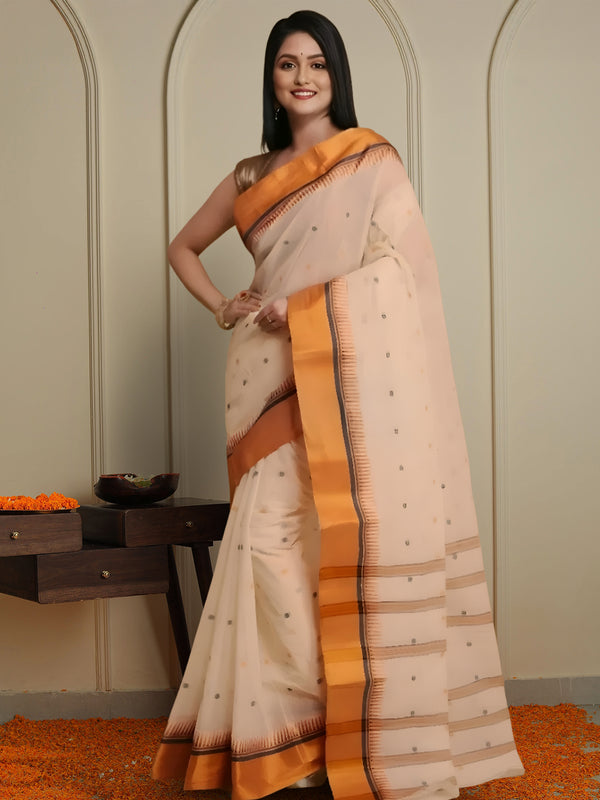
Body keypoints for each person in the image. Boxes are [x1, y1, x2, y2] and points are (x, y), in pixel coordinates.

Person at [152, 10, 524, 800]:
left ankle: (349, 736)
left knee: (342, 549)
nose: (303, 77)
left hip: (351, 378)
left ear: (337, 74)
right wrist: (224, 305)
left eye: (317, 63)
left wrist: (307, 306)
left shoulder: (370, 160)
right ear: (271, 78)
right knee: (269, 548)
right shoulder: (251, 176)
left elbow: (401, 274)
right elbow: (182, 247)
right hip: (266, 380)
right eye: (287, 64)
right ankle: (284, 740)